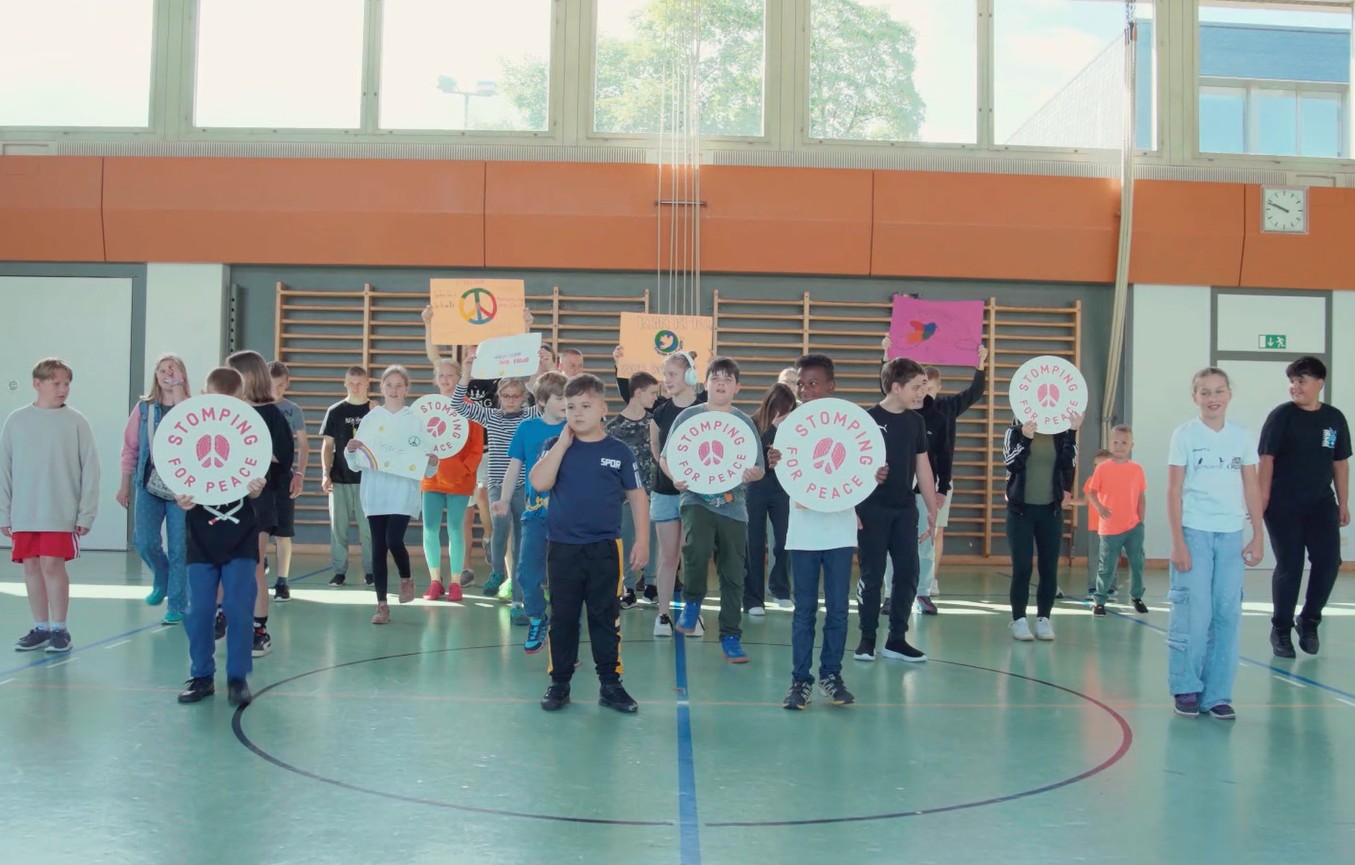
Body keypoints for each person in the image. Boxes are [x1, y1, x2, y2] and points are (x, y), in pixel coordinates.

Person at [530, 374, 648, 713]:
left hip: (605, 548)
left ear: (602, 409)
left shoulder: (619, 452)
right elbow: (539, 483)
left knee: (604, 617)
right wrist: (563, 445)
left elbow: (638, 498)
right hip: (563, 548)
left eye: (585, 406)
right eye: (570, 407)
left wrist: (642, 540)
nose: (577, 413)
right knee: (563, 617)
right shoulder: (555, 447)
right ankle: (559, 682)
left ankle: (610, 684)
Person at [1166, 367, 1264, 719]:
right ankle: (1187, 687)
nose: (1212, 398)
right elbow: (1174, 490)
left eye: (1219, 391)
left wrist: (1257, 534)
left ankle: (1218, 694)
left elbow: (1251, 486)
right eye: (1204, 392)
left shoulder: (1241, 436)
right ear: (1195, 398)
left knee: (1227, 615)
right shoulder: (1185, 436)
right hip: (1195, 532)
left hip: (1230, 537)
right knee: (1195, 613)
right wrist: (1178, 542)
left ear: (1229, 395)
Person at [776, 354, 870, 708]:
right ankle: (800, 680)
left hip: (840, 532)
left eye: (813, 383)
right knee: (803, 611)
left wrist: (870, 485)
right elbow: (785, 473)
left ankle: (831, 674)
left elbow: (863, 469)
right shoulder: (789, 425)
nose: (805, 390)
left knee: (838, 609)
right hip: (803, 533)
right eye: (801, 384)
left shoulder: (850, 425)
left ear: (831, 386)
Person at [174, 366, 268, 707]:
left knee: (238, 607)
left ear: (241, 401)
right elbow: (176, 474)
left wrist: (256, 490)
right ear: (203, 397)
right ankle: (201, 675)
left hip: (240, 534)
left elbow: (256, 487)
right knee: (198, 611)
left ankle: (237, 678)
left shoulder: (251, 436)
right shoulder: (186, 435)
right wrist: (180, 497)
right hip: (200, 535)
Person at [661, 357, 765, 662]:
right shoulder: (689, 417)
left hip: (733, 507)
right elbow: (667, 458)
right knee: (694, 549)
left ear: (737, 387)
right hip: (695, 499)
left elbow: (759, 467)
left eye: (728, 379)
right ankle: (692, 602)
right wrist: (675, 478)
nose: (721, 383)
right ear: (706, 383)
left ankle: (731, 635)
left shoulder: (744, 423)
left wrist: (752, 474)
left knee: (734, 573)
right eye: (716, 378)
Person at [3, 357, 100, 654]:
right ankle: (41, 626)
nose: (63, 389)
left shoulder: (76, 422)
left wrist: (86, 511)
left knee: (51, 564)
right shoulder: (16, 421)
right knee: (31, 565)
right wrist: (4, 511)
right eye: (56, 383)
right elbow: (4, 468)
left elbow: (91, 469)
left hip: (60, 511)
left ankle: (60, 627)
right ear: (38, 384)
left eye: (67, 383)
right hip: (24, 511)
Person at [1259, 355, 1351, 657]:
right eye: (1292, 381)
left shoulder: (1334, 418)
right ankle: (1281, 629)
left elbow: (1340, 463)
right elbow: (1267, 459)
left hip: (1321, 503)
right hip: (1283, 504)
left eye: (1302, 380)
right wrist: (1262, 500)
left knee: (1329, 561)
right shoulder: (1281, 416)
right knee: (1291, 566)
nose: (1295, 386)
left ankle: (1309, 620)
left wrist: (1343, 502)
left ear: (1319, 383)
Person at [613, 347, 707, 637]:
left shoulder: (706, 405)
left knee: (694, 556)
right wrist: (672, 474)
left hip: (699, 495)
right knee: (668, 556)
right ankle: (663, 615)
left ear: (689, 375)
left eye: (672, 374)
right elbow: (657, 449)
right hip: (666, 492)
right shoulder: (661, 411)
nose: (666, 380)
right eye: (665, 375)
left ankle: (693, 613)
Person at [854, 358, 936, 663]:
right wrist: (852, 508)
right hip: (871, 510)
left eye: (924, 387)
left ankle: (897, 639)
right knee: (872, 575)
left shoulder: (916, 422)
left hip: (904, 510)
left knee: (908, 573)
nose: (921, 394)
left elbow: (923, 466)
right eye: (916, 387)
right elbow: (850, 469)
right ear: (895, 387)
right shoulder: (866, 419)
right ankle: (867, 639)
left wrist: (930, 507)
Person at [345, 365, 438, 625]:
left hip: (403, 491)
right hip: (375, 491)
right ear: (382, 388)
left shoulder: (415, 420)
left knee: (393, 539)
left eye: (399, 385)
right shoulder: (371, 419)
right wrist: (351, 451)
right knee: (377, 546)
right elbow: (356, 461)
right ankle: (382, 605)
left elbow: (428, 462)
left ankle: (406, 576)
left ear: (407, 389)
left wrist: (431, 460)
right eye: (389, 385)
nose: (394, 390)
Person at [450, 354, 541, 615]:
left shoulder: (531, 415)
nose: (511, 400)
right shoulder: (491, 417)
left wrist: (534, 373)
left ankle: (517, 587)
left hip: (524, 485)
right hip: (497, 484)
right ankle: (497, 571)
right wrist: (466, 372)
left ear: (524, 398)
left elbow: (545, 402)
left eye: (516, 396)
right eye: (507, 396)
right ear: (499, 397)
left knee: (522, 536)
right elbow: (458, 404)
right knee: (500, 527)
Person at [225, 350, 295, 658]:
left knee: (254, 565)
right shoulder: (223, 411)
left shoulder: (271, 413)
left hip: (258, 501)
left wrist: (258, 456)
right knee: (220, 562)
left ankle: (258, 630)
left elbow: (284, 458)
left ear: (248, 376)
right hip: (224, 502)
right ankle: (221, 615)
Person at [909, 345, 988, 614]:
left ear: (939, 387)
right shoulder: (909, 408)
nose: (926, 392)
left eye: (930, 386)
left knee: (934, 532)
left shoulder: (947, 408)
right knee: (906, 533)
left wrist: (980, 365)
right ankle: (903, 585)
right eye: (921, 386)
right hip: (908, 482)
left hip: (939, 481)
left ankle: (930, 581)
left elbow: (975, 393)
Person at [117, 352, 191, 625]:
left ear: (182, 374)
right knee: (144, 540)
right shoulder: (145, 408)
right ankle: (163, 574)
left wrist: (179, 391)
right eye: (162, 370)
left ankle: (178, 604)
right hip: (149, 484)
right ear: (155, 376)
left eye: (173, 368)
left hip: (182, 490)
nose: (167, 373)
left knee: (179, 547)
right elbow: (131, 448)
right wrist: (124, 484)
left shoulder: (192, 407)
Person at [498, 371, 568, 651]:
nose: (566, 403)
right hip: (536, 514)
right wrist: (504, 499)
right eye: (561, 398)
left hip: (568, 516)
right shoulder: (527, 429)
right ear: (542, 400)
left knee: (564, 578)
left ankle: (564, 635)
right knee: (527, 571)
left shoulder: (573, 429)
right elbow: (514, 467)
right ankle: (537, 617)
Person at [422, 307, 491, 586]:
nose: (472, 357)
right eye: (469, 354)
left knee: (479, 502)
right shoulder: (440, 392)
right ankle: (457, 571)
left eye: (477, 354)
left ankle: (487, 538)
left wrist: (522, 324)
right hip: (440, 468)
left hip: (477, 456)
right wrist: (428, 324)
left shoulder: (488, 378)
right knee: (450, 521)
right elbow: (435, 358)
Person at [1003, 410, 1082, 642]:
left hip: (1050, 511)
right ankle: (1019, 619)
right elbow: (1011, 464)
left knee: (1049, 568)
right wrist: (1027, 439)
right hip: (1020, 512)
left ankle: (1043, 618)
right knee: (1022, 567)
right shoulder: (1014, 433)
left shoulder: (1059, 434)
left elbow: (1069, 463)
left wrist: (1072, 431)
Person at [421, 357, 484, 603]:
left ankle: (455, 582)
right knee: (430, 529)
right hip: (431, 478)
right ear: (435, 379)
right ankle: (435, 580)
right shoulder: (426, 408)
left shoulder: (470, 408)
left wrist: (464, 469)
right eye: (441, 375)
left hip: (460, 480)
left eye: (450, 375)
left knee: (456, 529)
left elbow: (477, 447)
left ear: (460, 378)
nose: (445, 380)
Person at [606, 371, 661, 609]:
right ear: (638, 393)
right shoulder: (613, 427)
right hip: (624, 496)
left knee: (652, 540)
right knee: (627, 539)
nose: (655, 398)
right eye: (652, 393)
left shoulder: (655, 422)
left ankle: (651, 583)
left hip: (652, 492)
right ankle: (627, 587)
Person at [744, 383, 796, 615]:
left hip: (781, 488)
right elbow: (751, 455)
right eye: (783, 409)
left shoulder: (794, 426)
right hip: (755, 488)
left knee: (784, 540)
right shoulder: (751, 423)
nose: (786, 415)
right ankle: (753, 598)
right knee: (753, 543)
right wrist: (774, 428)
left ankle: (781, 589)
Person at [320, 366, 375, 587]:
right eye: (351, 382)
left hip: (368, 481)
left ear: (367, 383)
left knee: (369, 530)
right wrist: (325, 473)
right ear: (345, 383)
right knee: (338, 529)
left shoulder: (375, 411)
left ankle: (371, 571)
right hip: (340, 479)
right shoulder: (335, 411)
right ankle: (339, 571)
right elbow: (327, 446)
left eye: (359, 382)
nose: (355, 386)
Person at [1088, 425, 1149, 617]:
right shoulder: (1103, 468)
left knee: (1137, 563)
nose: (1119, 446)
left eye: (1124, 442)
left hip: (1133, 526)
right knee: (1106, 566)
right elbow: (1091, 492)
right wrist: (1100, 508)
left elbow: (1141, 495)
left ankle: (1137, 597)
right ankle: (1099, 601)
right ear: (1109, 444)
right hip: (1110, 527)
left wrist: (1140, 520)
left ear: (1131, 445)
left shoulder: (1137, 469)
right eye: (1115, 442)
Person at [266, 361, 308, 602]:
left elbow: (303, 445)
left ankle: (283, 581)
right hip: (257, 476)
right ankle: (261, 561)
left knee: (283, 531)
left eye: (281, 386)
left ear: (287, 384)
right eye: (273, 386)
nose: (277, 390)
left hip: (283, 475)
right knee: (256, 527)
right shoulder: (254, 406)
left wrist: (299, 474)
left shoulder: (293, 410)